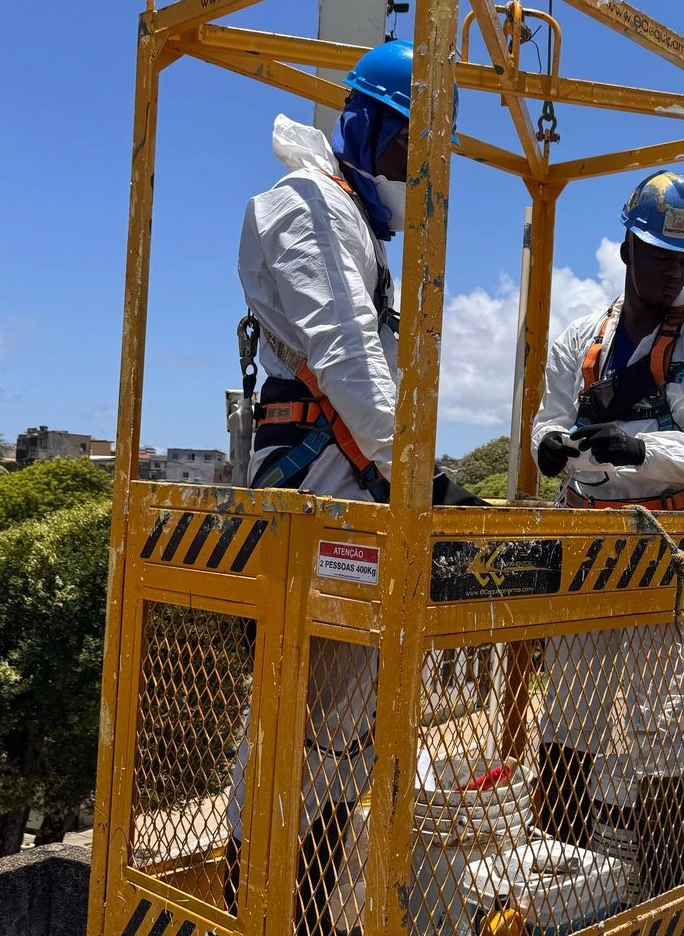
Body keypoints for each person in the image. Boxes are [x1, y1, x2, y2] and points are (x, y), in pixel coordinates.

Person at [227, 39, 479, 935]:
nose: (412, 173)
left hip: (356, 508)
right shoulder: (309, 208)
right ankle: (257, 910)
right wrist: (430, 492)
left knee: (337, 746)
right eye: (405, 151)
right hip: (321, 503)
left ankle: (298, 912)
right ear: (366, 124)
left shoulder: (352, 224)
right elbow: (352, 368)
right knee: (290, 748)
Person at [530, 169, 684, 896]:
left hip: (668, 550)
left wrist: (641, 451)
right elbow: (549, 417)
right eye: (660, 255)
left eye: (683, 259)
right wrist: (548, 446)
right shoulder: (580, 340)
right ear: (627, 248)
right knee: (570, 709)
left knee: (662, 717)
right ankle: (555, 872)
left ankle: (666, 880)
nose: (672, 271)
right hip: (587, 544)